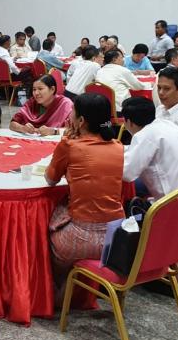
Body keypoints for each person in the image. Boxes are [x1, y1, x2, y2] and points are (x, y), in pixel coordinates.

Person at [45, 93, 125, 294]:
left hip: (80, 239)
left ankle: (56, 293)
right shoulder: (118, 147)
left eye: (73, 112)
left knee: (42, 230)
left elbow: (50, 179)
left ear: (80, 120)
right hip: (116, 237)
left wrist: (67, 141)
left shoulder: (70, 146)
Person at [121, 97, 178, 200]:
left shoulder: (145, 135)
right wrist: (119, 149)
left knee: (117, 183)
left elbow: (127, 173)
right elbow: (142, 148)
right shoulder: (166, 124)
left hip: (174, 201)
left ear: (129, 122)